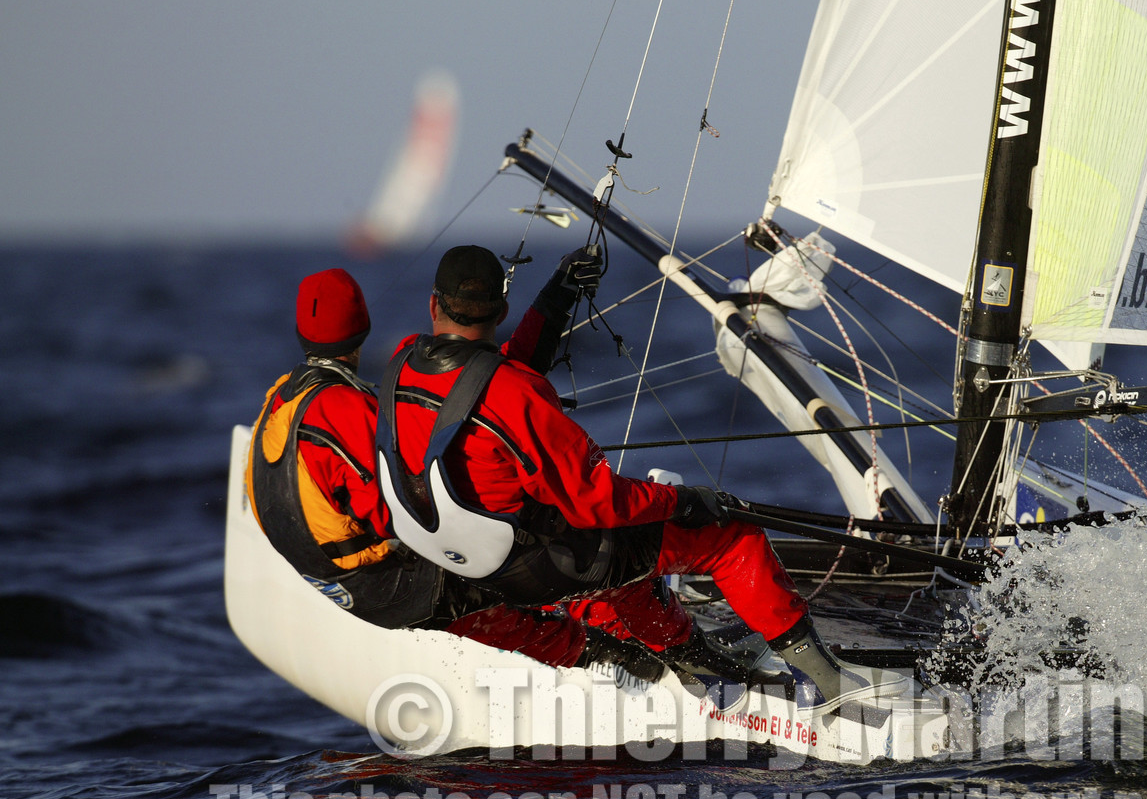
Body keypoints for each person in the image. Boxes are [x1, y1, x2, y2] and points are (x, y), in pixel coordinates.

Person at [377, 244, 910, 712]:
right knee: (732, 535)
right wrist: (685, 501)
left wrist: (556, 298)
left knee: (628, 557)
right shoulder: (516, 394)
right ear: (501, 310)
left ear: (433, 305)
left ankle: (697, 667)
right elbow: (595, 502)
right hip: (538, 568)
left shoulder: (401, 364)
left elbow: (487, 378)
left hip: (466, 567)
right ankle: (831, 684)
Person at [247, 268, 663, 680]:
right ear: (363, 327)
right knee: (550, 558)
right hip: (394, 588)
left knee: (516, 591)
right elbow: (393, 507)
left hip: (335, 586)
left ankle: (599, 652)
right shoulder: (344, 409)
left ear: (302, 332)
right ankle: (639, 661)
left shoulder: (281, 398)